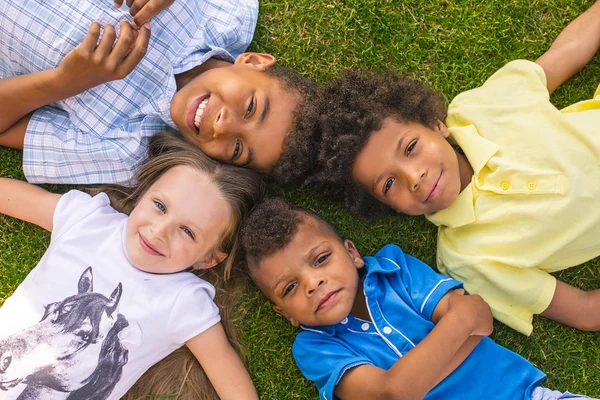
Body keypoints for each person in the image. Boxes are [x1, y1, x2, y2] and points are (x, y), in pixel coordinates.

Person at [298, 2, 600, 335]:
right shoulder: (467, 259)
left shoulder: (482, 108)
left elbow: (569, 51)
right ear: (385, 206)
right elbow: (586, 311)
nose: (413, 178)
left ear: (437, 124)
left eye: (411, 148)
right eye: (388, 185)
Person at [239, 197, 598, 400]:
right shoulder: (313, 347)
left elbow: (480, 316)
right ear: (284, 313)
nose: (313, 283)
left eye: (320, 259)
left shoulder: (394, 269)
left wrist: (411, 378)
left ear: (352, 253)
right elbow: (390, 394)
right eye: (289, 288)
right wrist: (457, 326)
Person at [0, 132, 264, 399]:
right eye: (160, 205)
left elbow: (230, 379)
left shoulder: (184, 301)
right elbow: (12, 196)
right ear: (143, 193)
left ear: (208, 259)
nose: (159, 231)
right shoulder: (87, 219)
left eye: (187, 231)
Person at [0, 0, 318, 184]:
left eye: (237, 149)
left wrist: (63, 82)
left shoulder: (127, 152)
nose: (223, 125)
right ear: (253, 62)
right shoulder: (229, 13)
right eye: (250, 107)